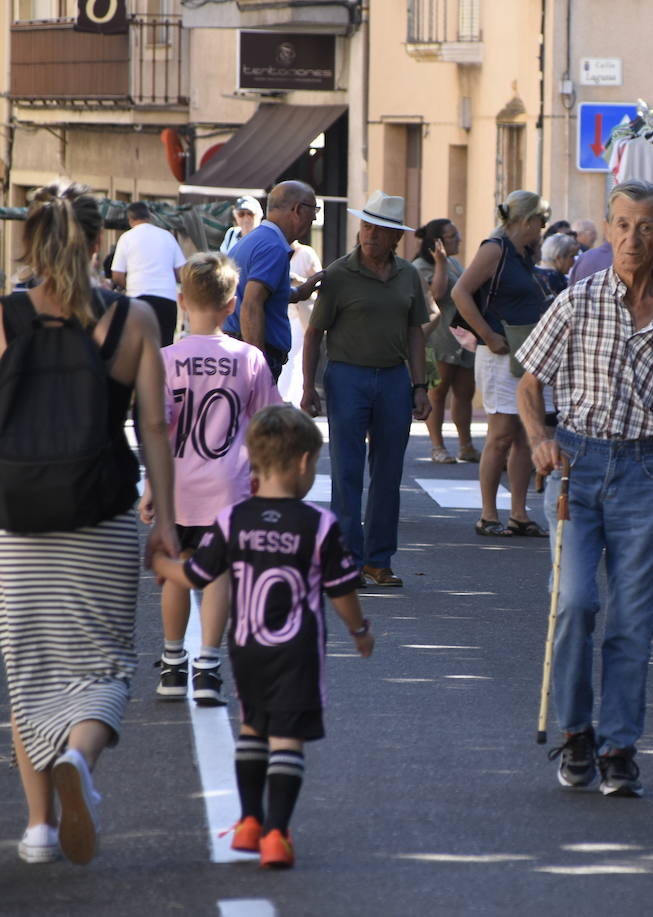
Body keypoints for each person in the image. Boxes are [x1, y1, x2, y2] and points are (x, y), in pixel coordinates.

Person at [515, 179, 653, 798]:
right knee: (577, 604)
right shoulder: (577, 300)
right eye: (620, 224)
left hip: (648, 471)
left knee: (632, 620)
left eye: (644, 227)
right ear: (607, 229)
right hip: (578, 468)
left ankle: (618, 746)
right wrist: (538, 440)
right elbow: (530, 383)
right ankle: (577, 731)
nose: (631, 238)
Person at [0, 181, 176, 866]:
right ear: (102, 242)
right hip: (101, 513)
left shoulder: (7, 315)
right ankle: (79, 754)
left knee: (28, 670)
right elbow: (154, 425)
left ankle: (40, 826)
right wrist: (164, 519)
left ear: (32, 242)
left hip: (17, 517)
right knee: (102, 664)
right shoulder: (133, 320)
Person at [152, 404, 374, 870]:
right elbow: (342, 591)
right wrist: (359, 630)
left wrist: (159, 564)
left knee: (253, 727)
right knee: (287, 738)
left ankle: (249, 822)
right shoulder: (320, 526)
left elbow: (195, 574)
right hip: (297, 653)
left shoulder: (232, 520)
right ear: (302, 464)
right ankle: (276, 833)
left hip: (247, 650)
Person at [140, 252, 280, 709]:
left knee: (178, 571)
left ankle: (172, 662)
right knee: (218, 574)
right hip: (229, 486)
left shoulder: (164, 359)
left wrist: (149, 488)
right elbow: (267, 425)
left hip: (178, 485)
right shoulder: (249, 358)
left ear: (181, 300)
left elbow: (156, 428)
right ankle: (207, 666)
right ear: (231, 304)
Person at [300, 190, 433, 588]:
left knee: (389, 473)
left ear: (397, 238)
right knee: (347, 471)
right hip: (347, 378)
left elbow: (415, 331)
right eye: (367, 226)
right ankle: (345, 560)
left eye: (381, 230)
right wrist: (309, 387)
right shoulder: (339, 273)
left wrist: (420, 384)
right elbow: (313, 334)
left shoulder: (408, 274)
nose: (371, 235)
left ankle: (378, 561)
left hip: (393, 379)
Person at [454, 190, 554, 538]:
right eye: (541, 221)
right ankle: (488, 514)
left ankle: (518, 513)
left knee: (526, 435)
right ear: (527, 220)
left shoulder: (523, 253)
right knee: (500, 435)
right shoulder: (495, 247)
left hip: (522, 352)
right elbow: (460, 292)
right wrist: (487, 334)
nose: (543, 228)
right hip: (498, 351)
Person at [225, 182, 320, 383]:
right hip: (252, 353)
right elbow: (251, 305)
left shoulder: (256, 240)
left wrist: (299, 292)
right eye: (314, 210)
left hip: (237, 348)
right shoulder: (273, 247)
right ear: (297, 209)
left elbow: (259, 295)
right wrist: (258, 369)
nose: (315, 217)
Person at [413, 218, 479, 464]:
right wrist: (440, 262)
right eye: (452, 236)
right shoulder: (421, 267)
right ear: (437, 242)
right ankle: (437, 446)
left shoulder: (455, 263)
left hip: (462, 337)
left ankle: (466, 445)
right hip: (439, 337)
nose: (458, 239)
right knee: (438, 393)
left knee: (464, 392)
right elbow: (436, 295)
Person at [111, 200, 186, 346]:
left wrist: (130, 286)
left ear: (130, 219)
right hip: (166, 299)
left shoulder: (126, 238)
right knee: (165, 348)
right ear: (149, 217)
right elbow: (182, 273)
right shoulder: (167, 236)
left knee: (137, 347)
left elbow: (117, 275)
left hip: (137, 298)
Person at [279, 238, 324, 406]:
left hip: (300, 315)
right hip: (282, 314)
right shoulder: (276, 252)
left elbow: (320, 282)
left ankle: (290, 400)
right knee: (287, 360)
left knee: (294, 358)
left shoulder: (307, 253)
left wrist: (299, 280)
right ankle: (285, 400)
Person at [537, 231, 580, 299]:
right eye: (572, 256)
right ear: (558, 257)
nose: (574, 261)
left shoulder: (534, 274)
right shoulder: (557, 280)